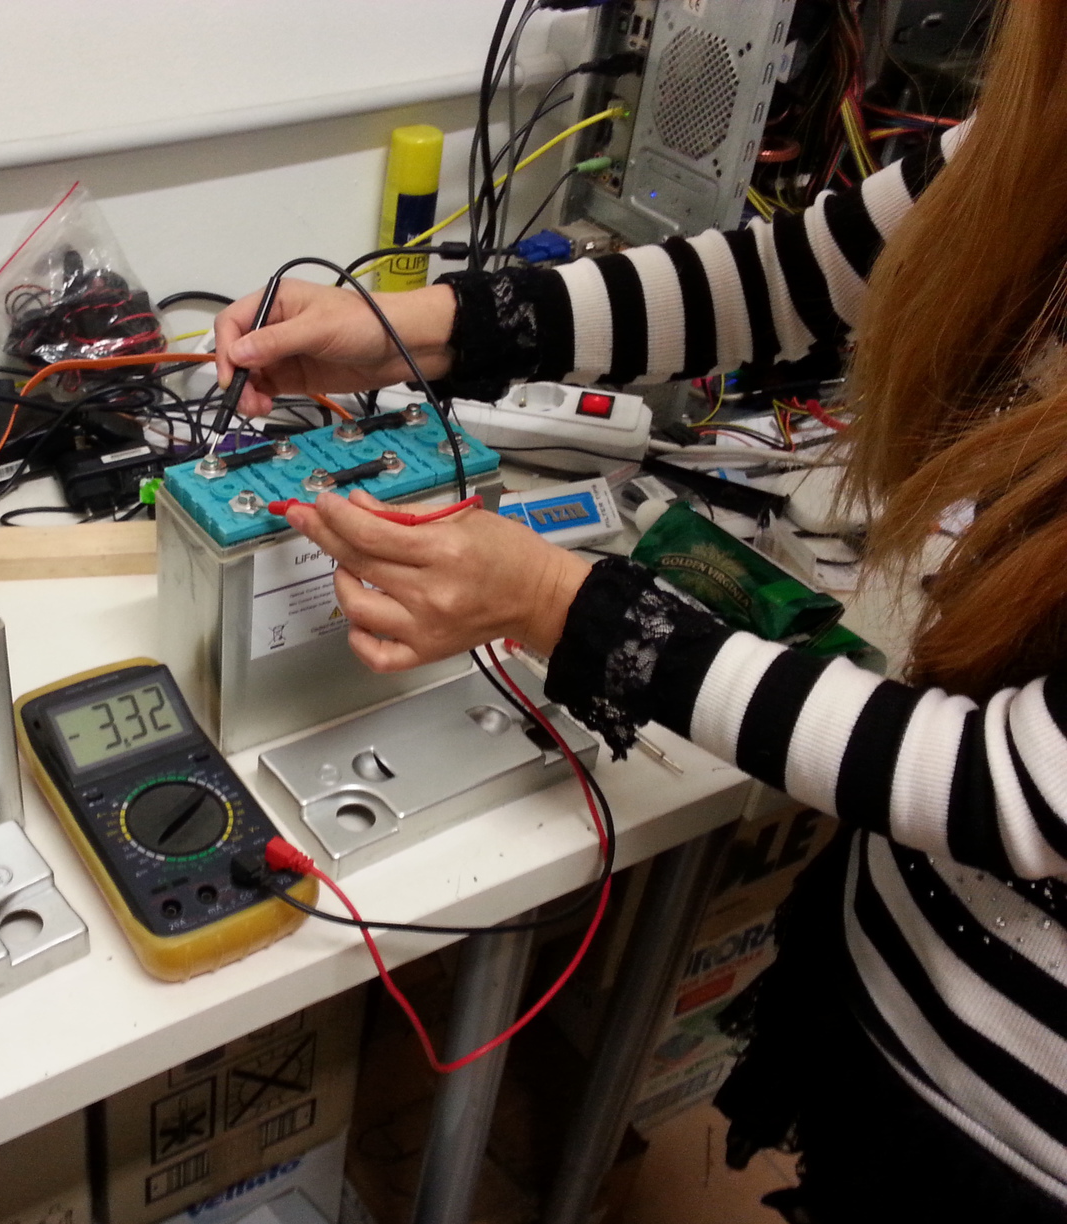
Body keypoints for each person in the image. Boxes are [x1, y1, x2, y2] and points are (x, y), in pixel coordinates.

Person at [212, 3, 1067, 1220]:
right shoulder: (1036, 131)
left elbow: (1011, 788)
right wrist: (418, 331)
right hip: (899, 990)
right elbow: (785, 277)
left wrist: (552, 603)